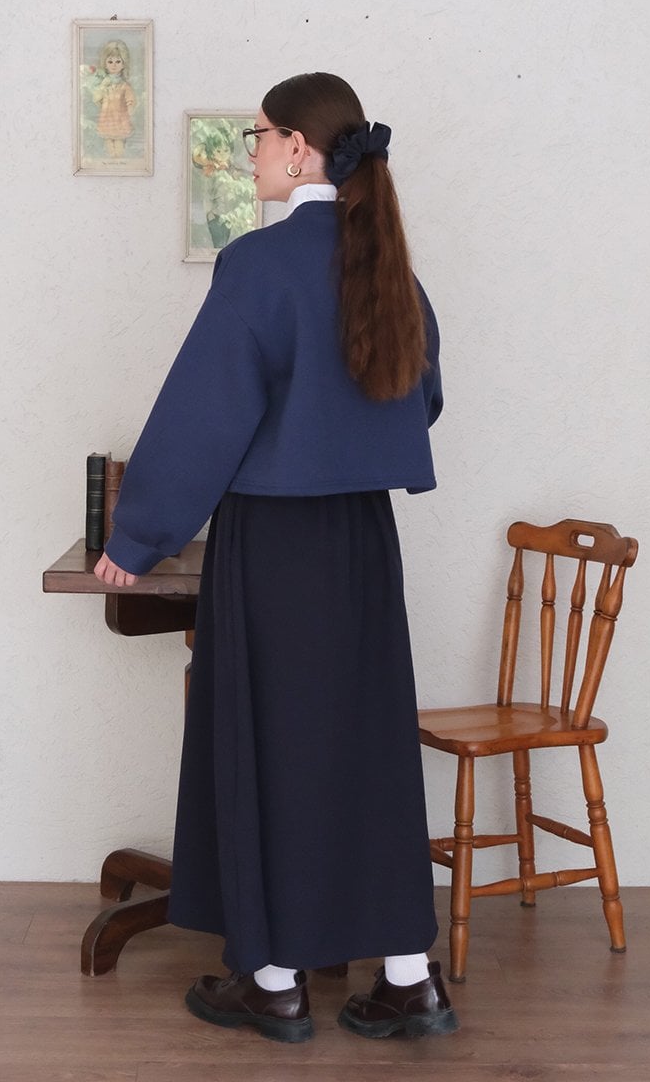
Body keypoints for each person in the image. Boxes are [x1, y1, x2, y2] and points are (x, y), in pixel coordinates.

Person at [94, 72, 457, 1045]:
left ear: (298, 147)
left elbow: (205, 412)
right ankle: (410, 981)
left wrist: (136, 538)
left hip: (274, 544)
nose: (248, 152)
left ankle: (272, 983)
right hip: (363, 543)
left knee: (267, 748)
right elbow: (419, 396)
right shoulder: (388, 262)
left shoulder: (258, 263)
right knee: (368, 751)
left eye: (256, 136)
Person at [92, 39, 136, 159]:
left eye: (118, 61)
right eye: (110, 61)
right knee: (108, 145)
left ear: (123, 64)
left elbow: (130, 100)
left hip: (120, 120)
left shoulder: (124, 85)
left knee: (119, 145)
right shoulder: (104, 83)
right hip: (107, 120)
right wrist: (102, 88)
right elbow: (96, 99)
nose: (114, 65)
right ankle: (112, 163)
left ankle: (118, 163)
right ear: (105, 64)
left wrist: (130, 109)